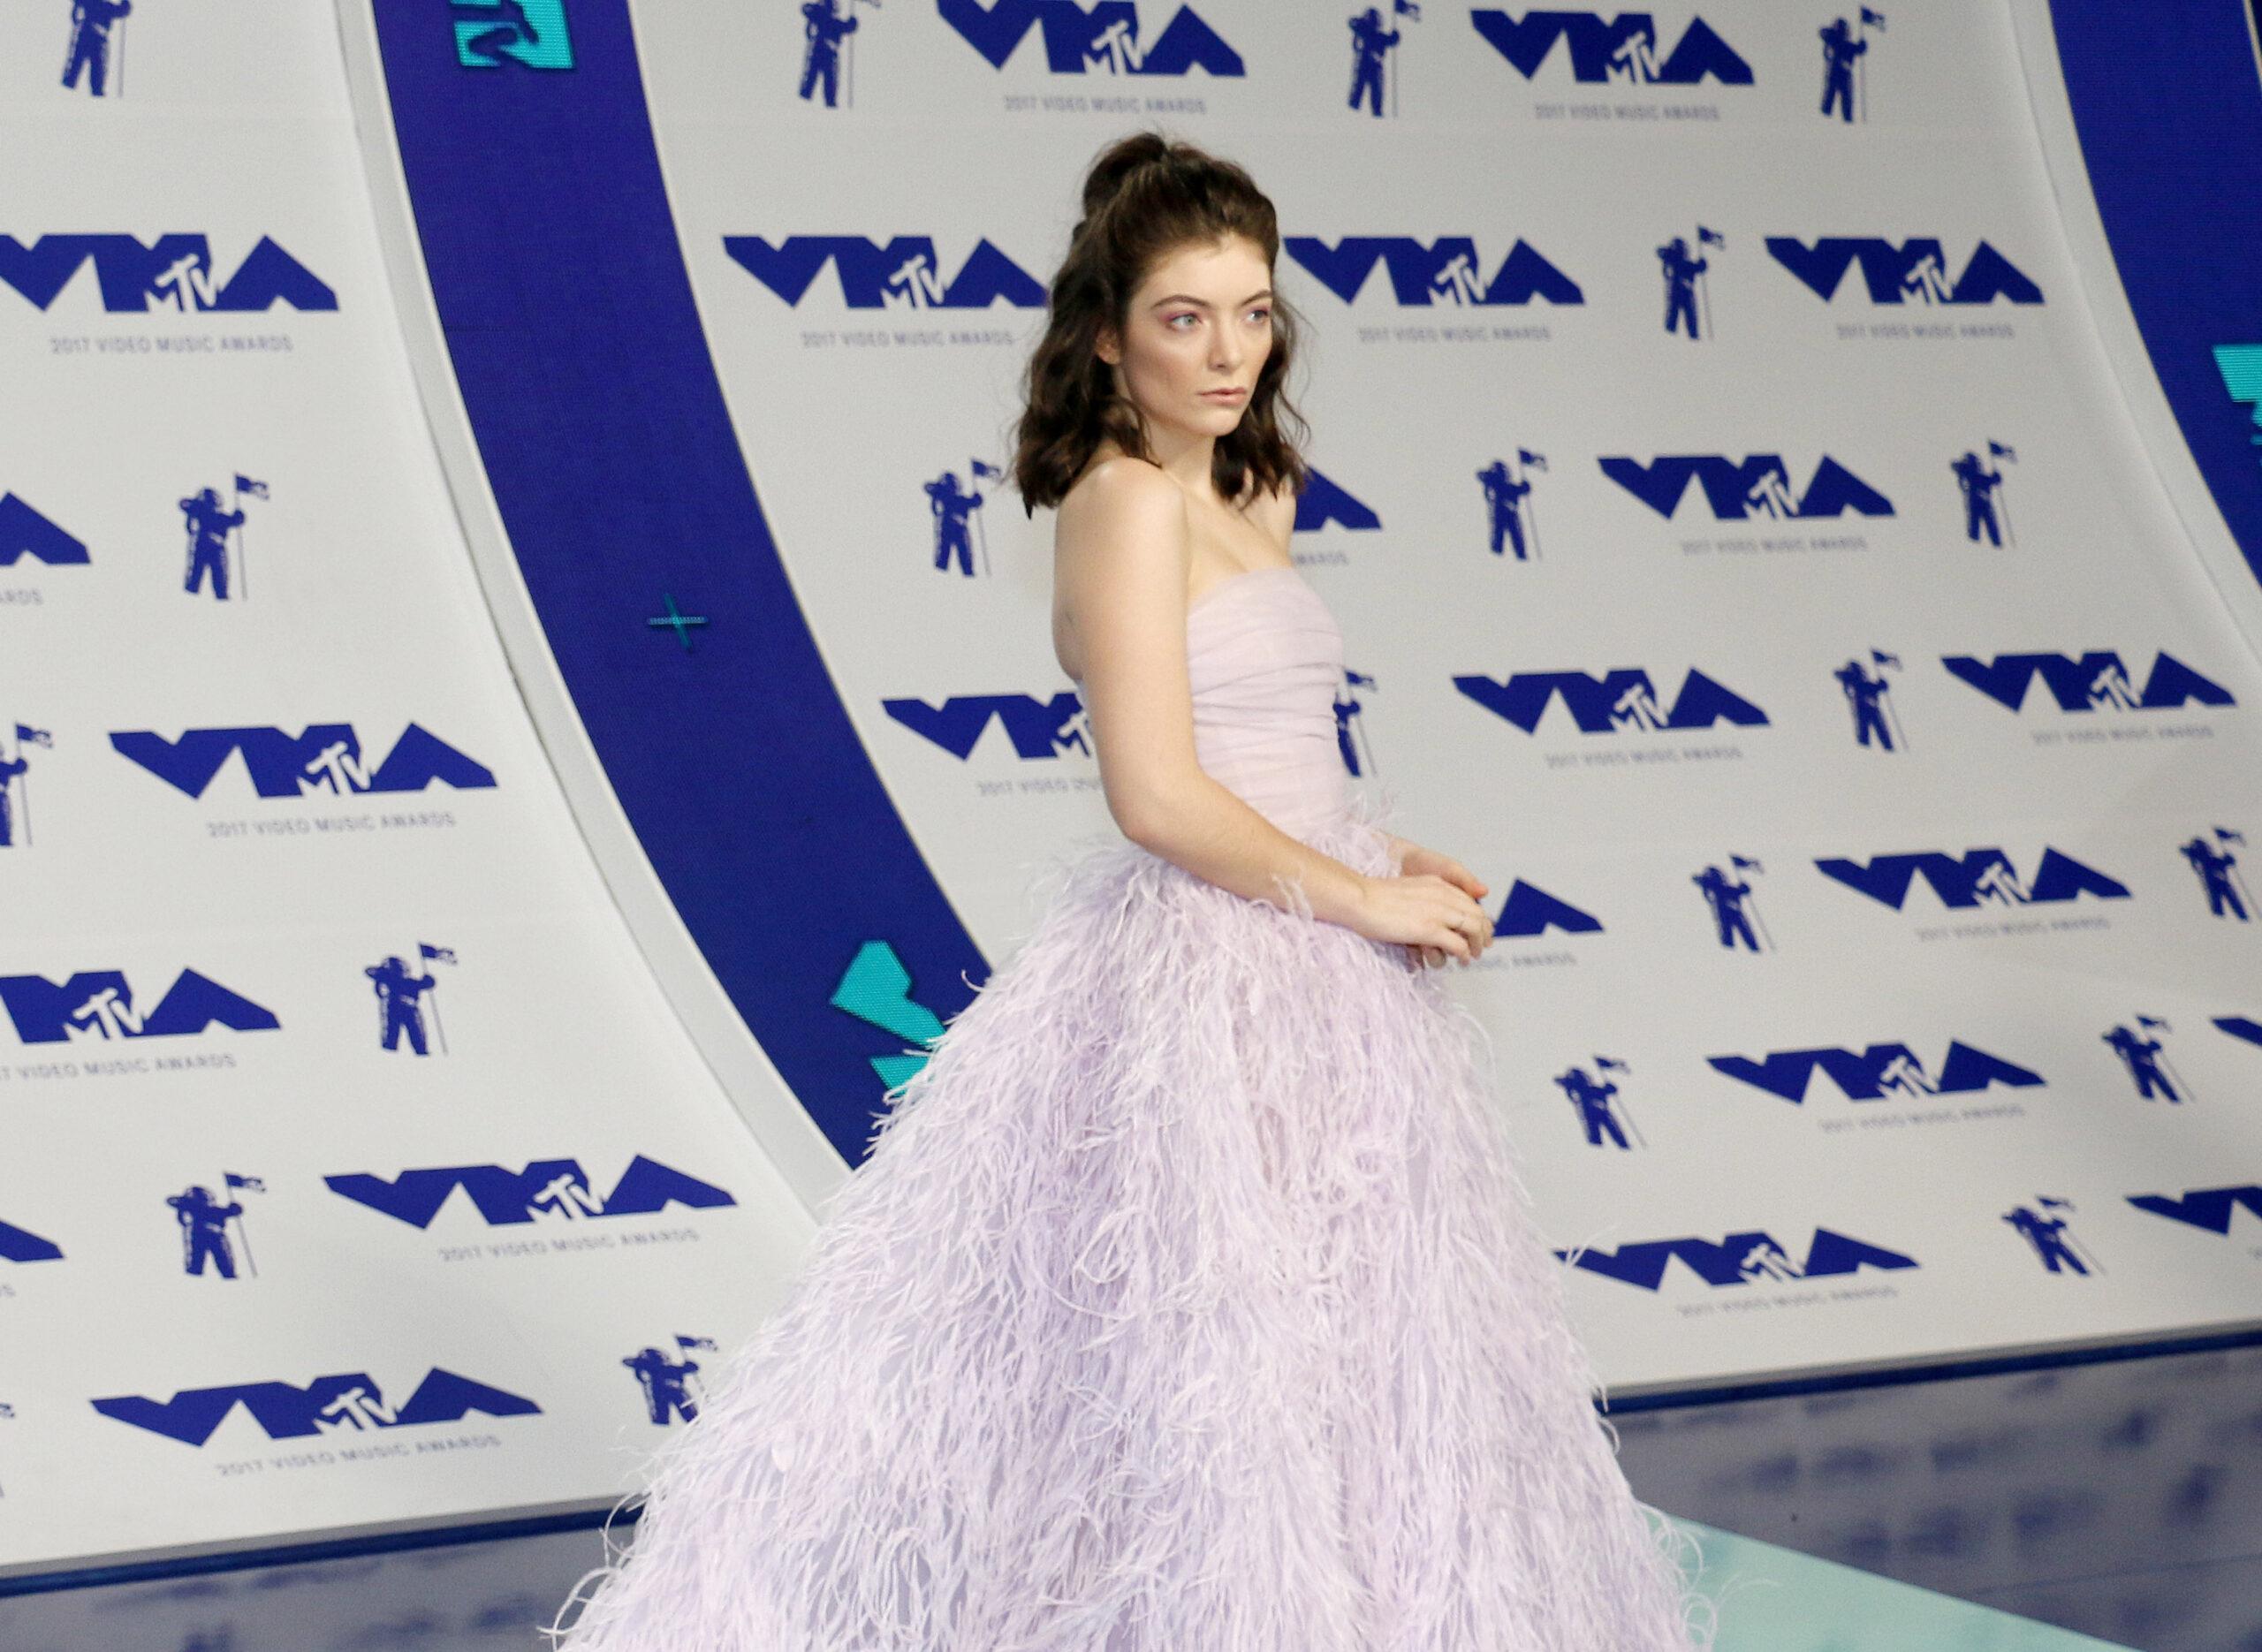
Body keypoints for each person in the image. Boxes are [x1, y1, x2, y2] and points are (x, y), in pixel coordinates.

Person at [546, 131, 1716, 1650]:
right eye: (1187, 316)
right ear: (1110, 335)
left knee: (1356, 1371)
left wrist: (1382, 860)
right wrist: (1356, 903)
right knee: (1194, 1380)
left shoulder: (1256, 481)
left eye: (1254, 309)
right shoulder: (1121, 501)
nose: (1230, 350)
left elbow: (1271, 748)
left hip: (1322, 976)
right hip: (1207, 984)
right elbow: (1156, 792)